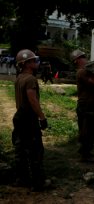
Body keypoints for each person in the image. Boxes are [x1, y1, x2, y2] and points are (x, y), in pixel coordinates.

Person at [12, 49, 49, 191]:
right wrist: (42, 117)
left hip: (19, 117)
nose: (36, 62)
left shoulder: (19, 78)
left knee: (21, 149)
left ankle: (22, 178)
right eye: (33, 60)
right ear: (27, 64)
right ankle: (38, 182)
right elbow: (32, 100)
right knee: (35, 150)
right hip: (29, 119)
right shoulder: (31, 79)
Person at [70, 49, 94, 162]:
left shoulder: (86, 71)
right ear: (76, 61)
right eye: (82, 57)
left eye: (84, 56)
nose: (85, 59)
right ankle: (85, 154)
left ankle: (84, 148)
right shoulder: (81, 72)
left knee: (93, 126)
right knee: (90, 127)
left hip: (90, 105)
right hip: (86, 106)